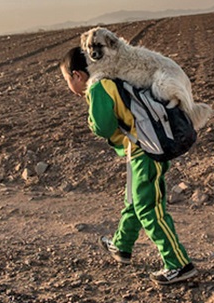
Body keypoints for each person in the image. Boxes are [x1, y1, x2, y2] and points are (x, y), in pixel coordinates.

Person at [60, 46, 198, 285]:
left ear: (77, 75)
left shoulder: (98, 86)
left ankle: (178, 264)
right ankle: (122, 245)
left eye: (67, 80)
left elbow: (102, 126)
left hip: (145, 151)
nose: (68, 87)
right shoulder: (112, 80)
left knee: (149, 208)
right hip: (143, 149)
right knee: (134, 201)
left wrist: (92, 120)